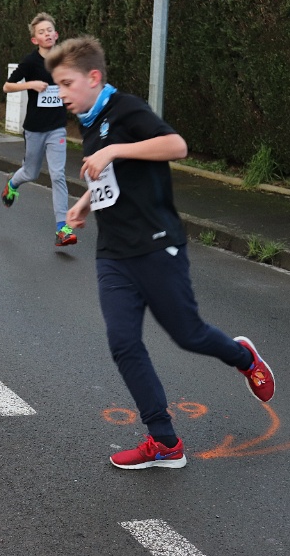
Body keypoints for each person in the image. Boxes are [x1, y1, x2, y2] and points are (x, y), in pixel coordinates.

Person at [49, 36, 276, 470]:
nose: (61, 94)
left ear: (93, 77)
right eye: (57, 85)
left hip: (156, 245)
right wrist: (84, 203)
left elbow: (176, 146)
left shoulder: (126, 109)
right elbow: (112, 178)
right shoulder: (90, 122)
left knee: (188, 335)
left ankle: (245, 357)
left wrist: (115, 148)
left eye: (66, 84)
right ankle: (165, 441)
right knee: (123, 343)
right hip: (113, 253)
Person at [2, 12, 77, 247]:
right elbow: (6, 87)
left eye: (49, 30)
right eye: (41, 32)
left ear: (56, 35)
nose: (47, 34)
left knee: (58, 175)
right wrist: (31, 84)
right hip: (35, 128)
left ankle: (62, 229)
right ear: (35, 39)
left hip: (57, 127)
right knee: (31, 173)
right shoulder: (30, 62)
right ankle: (13, 183)